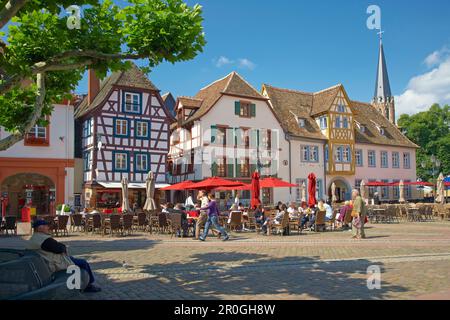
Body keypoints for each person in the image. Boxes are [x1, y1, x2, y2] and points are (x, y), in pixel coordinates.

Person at [26, 220, 101, 293]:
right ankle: (88, 285)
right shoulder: (44, 240)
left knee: (73, 259)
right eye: (46, 226)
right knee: (83, 263)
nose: (48, 227)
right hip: (54, 263)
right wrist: (63, 247)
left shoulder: (33, 239)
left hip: (44, 263)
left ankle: (81, 284)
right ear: (40, 228)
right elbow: (59, 249)